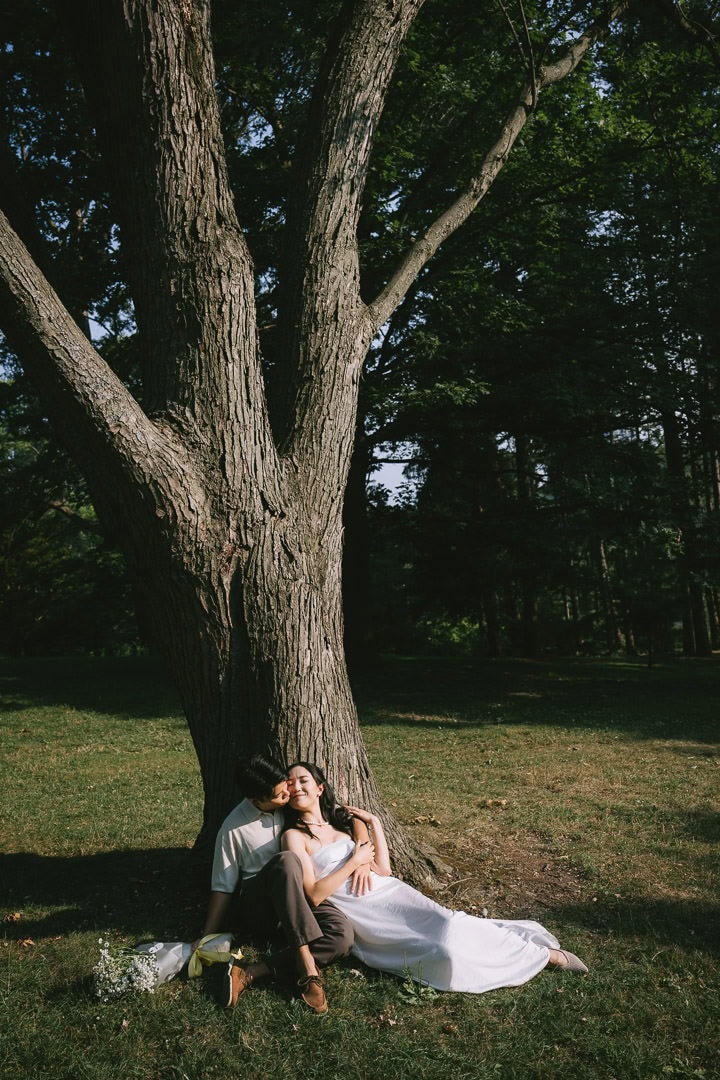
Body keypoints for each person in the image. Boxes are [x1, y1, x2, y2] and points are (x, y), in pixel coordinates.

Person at [282, 762, 589, 994]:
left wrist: (374, 823)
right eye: (291, 782)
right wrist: (353, 862)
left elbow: (384, 870)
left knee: (454, 923)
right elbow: (314, 895)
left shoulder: (341, 825)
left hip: (392, 895)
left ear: (320, 788)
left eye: (303, 780)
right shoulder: (295, 836)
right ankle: (528, 957)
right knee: (443, 955)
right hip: (365, 915)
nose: (296, 787)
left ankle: (544, 955)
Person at [199, 754, 354, 1014]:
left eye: (287, 788)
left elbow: (341, 814)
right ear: (255, 800)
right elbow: (222, 887)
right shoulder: (233, 829)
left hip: (298, 896)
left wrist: (364, 836)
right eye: (280, 795)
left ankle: (250, 972)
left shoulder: (289, 802)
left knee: (342, 936)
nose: (288, 796)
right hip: (260, 907)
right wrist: (206, 936)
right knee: (286, 861)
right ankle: (306, 964)